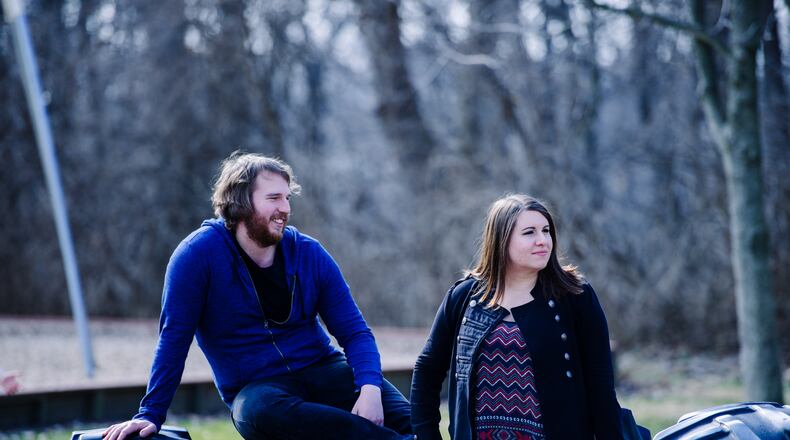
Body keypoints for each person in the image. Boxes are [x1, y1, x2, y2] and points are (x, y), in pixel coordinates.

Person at [103, 152, 411, 440]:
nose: (286, 209)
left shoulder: (308, 253)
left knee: (414, 420)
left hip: (325, 371)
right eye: (274, 198)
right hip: (259, 391)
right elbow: (173, 339)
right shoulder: (197, 256)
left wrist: (369, 388)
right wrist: (151, 414)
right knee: (260, 413)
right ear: (241, 203)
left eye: (287, 198)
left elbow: (355, 332)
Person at [410, 194, 623, 439]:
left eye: (546, 230)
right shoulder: (463, 297)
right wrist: (426, 435)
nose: (543, 240)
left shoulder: (575, 295)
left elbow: (601, 383)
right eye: (529, 232)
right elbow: (427, 370)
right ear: (501, 240)